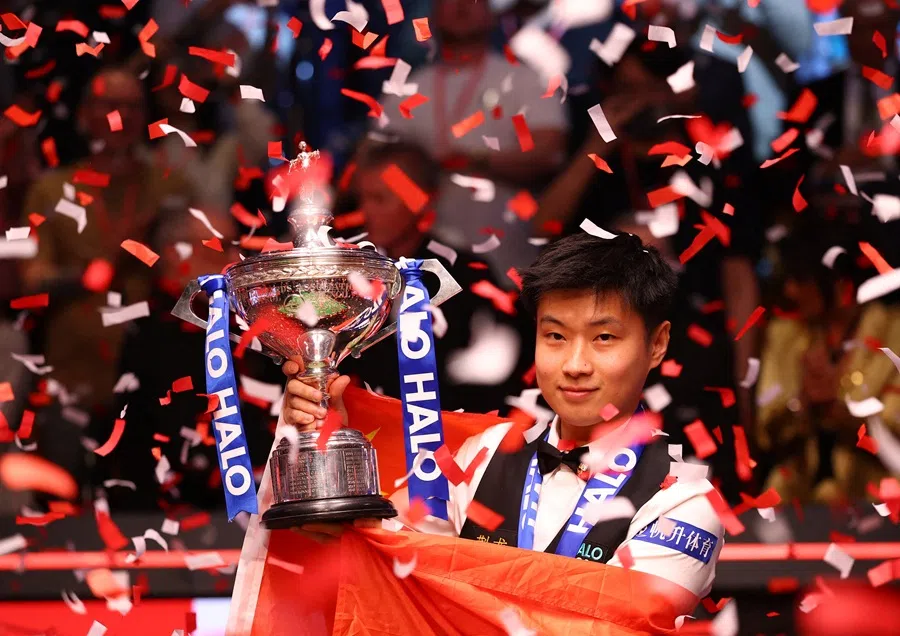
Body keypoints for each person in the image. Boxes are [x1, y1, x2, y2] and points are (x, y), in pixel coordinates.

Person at [282, 232, 725, 609]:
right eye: (555, 335)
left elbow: (608, 624)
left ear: (657, 344)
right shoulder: (485, 453)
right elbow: (370, 547)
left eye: (603, 338)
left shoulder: (685, 501)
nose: (574, 364)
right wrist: (327, 452)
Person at [19, 65, 195, 488]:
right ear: (84, 115)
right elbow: (31, 279)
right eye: (109, 105)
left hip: (157, 380)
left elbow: (195, 267)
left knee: (156, 507)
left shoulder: (167, 185)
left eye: (133, 107)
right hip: (74, 377)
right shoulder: (52, 190)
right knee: (65, 503)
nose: (122, 117)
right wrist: (96, 271)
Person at [374, 0, 568, 283]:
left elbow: (549, 154)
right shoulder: (406, 88)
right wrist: (420, 179)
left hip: (509, 266)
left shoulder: (524, 80)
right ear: (433, 14)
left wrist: (476, 160)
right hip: (421, 268)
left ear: (492, 13)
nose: (462, 5)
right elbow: (374, 167)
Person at [332, 140, 532, 413]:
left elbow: (495, 376)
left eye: (379, 199)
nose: (365, 212)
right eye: (362, 199)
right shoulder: (347, 277)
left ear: (421, 201)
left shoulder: (465, 274)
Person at [755, 222, 900, 504]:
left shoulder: (893, 331)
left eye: (801, 279)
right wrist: (801, 405)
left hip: (882, 496)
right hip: (796, 497)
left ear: (839, 282)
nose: (791, 291)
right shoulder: (786, 335)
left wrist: (844, 412)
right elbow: (765, 431)